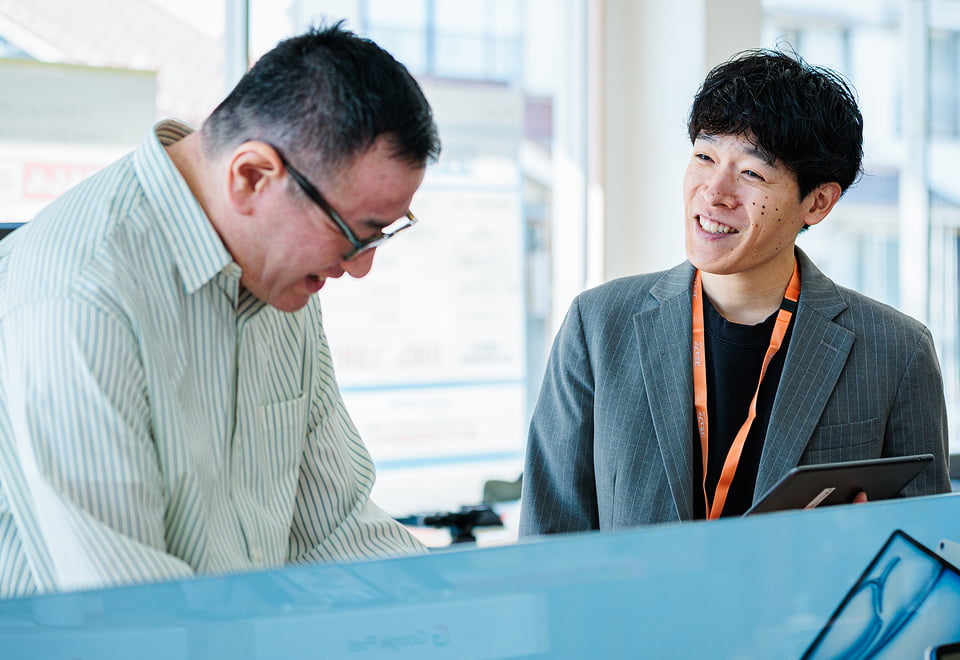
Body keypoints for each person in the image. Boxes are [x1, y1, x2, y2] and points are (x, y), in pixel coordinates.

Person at [0, 23, 440, 597]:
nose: (360, 268)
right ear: (252, 176)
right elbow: (127, 611)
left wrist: (450, 616)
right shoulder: (82, 296)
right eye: (355, 234)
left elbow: (336, 531)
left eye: (381, 236)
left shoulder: (277, 281)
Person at [519, 49, 951, 536]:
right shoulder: (597, 326)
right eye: (704, 157)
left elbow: (925, 549)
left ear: (817, 202)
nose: (714, 192)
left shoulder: (896, 350)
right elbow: (547, 539)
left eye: (751, 174)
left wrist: (857, 542)